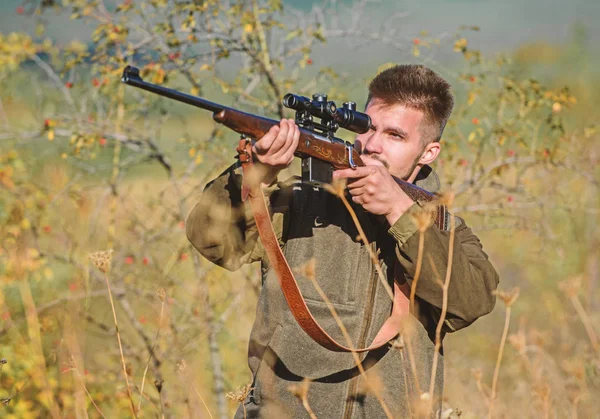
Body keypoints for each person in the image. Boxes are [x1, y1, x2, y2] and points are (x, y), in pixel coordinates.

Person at [186, 64, 499, 418]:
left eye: (395, 135)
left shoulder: (443, 226)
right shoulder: (300, 199)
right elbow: (210, 240)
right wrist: (256, 172)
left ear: (428, 153)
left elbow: (472, 301)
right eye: (367, 127)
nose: (373, 144)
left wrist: (400, 212)